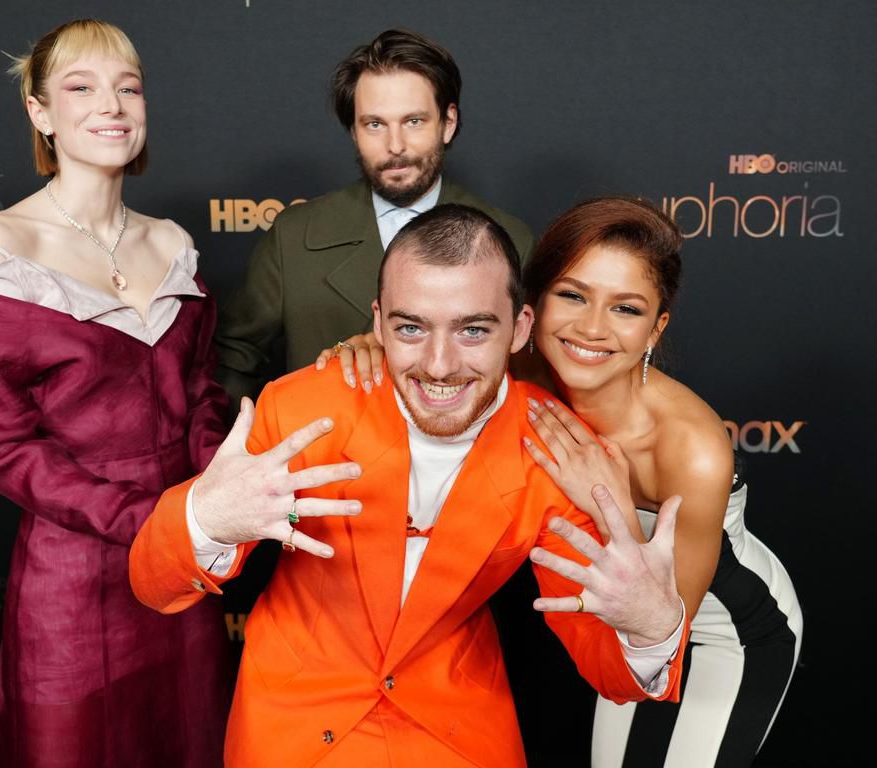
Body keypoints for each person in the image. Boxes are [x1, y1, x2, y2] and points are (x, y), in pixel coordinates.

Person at [130, 204, 689, 767]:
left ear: (520, 328)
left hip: (456, 727)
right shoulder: (299, 408)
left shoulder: (556, 450)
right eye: (411, 329)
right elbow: (155, 586)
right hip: (292, 720)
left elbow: (611, 670)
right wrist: (205, 518)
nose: (439, 365)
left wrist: (652, 628)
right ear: (378, 324)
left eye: (473, 329)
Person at [326, 197, 803, 767]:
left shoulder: (691, 448)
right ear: (530, 308)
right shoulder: (512, 368)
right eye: (573, 296)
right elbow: (423, 344)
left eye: (625, 308)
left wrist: (610, 505)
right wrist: (367, 345)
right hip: (616, 632)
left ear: (656, 328)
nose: (592, 328)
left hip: (719, 627)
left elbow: (664, 620)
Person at [0, 19, 230, 767]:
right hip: (71, 577)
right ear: (39, 112)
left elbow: (200, 396)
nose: (112, 105)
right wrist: (149, 518)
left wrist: (221, 489)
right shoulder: (1, 247)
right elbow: (2, 446)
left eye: (128, 88)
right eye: (82, 87)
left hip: (183, 559)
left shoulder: (173, 242)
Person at [213, 29, 535, 410]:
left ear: (447, 122)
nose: (395, 145)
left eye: (413, 121)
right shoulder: (294, 236)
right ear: (354, 131)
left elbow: (528, 376)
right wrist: (256, 438)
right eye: (375, 125)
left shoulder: (511, 240)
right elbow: (234, 360)